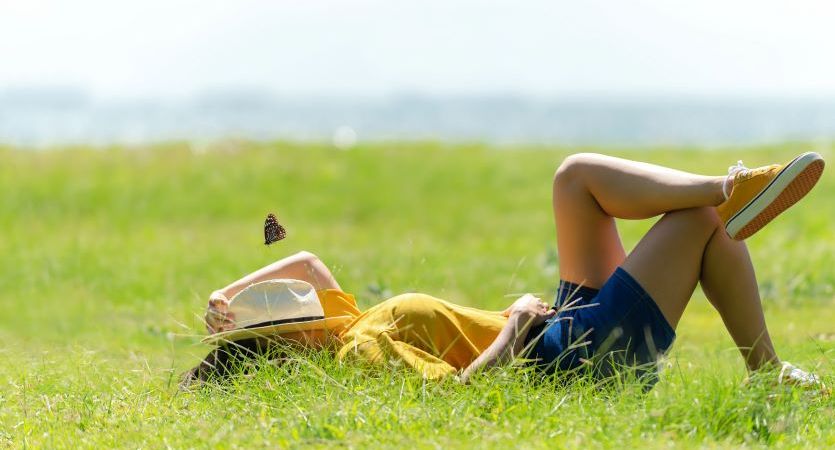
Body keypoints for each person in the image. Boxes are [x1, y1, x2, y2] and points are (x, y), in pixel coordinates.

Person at [182, 152, 826, 391]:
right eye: (288, 308)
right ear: (289, 344)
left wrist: (227, 294)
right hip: (566, 363)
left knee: (574, 179)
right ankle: (767, 372)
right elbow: (458, 394)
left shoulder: (342, 323)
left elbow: (307, 262)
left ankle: (731, 187)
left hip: (561, 328)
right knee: (700, 222)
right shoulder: (358, 350)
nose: (301, 293)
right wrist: (516, 326)